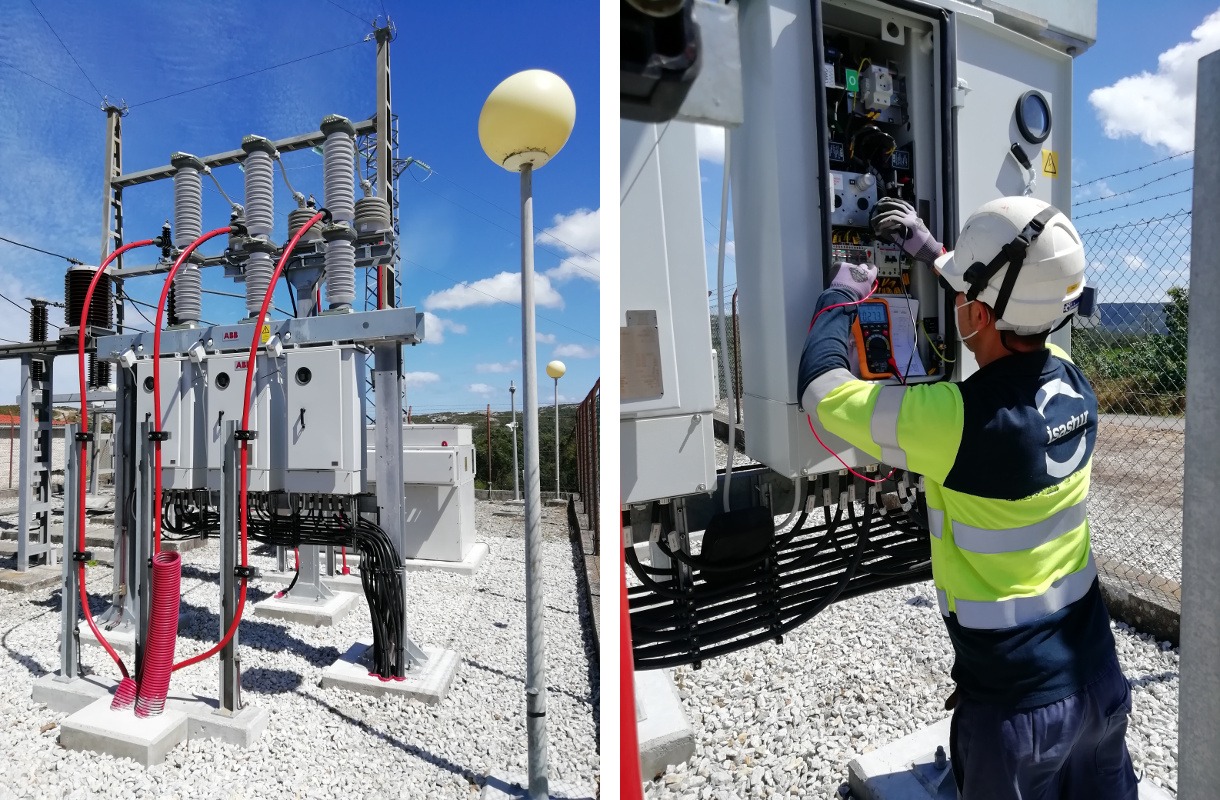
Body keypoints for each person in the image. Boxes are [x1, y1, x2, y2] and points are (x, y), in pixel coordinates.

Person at [797, 196, 1137, 799]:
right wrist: (928, 249)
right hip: (1097, 676)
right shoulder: (1069, 377)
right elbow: (1017, 295)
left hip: (1015, 712)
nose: (955, 301)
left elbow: (823, 395)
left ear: (977, 315)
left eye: (961, 295)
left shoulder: (955, 422)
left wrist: (839, 300)